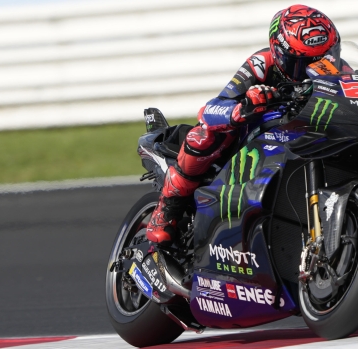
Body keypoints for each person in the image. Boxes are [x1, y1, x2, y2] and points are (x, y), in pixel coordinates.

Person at [145, 4, 340, 245]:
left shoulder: (337, 70)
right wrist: (243, 109)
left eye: (323, 58)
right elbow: (211, 109)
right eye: (303, 63)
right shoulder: (261, 63)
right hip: (248, 142)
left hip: (297, 139)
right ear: (280, 53)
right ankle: (167, 209)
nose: (314, 69)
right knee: (205, 134)